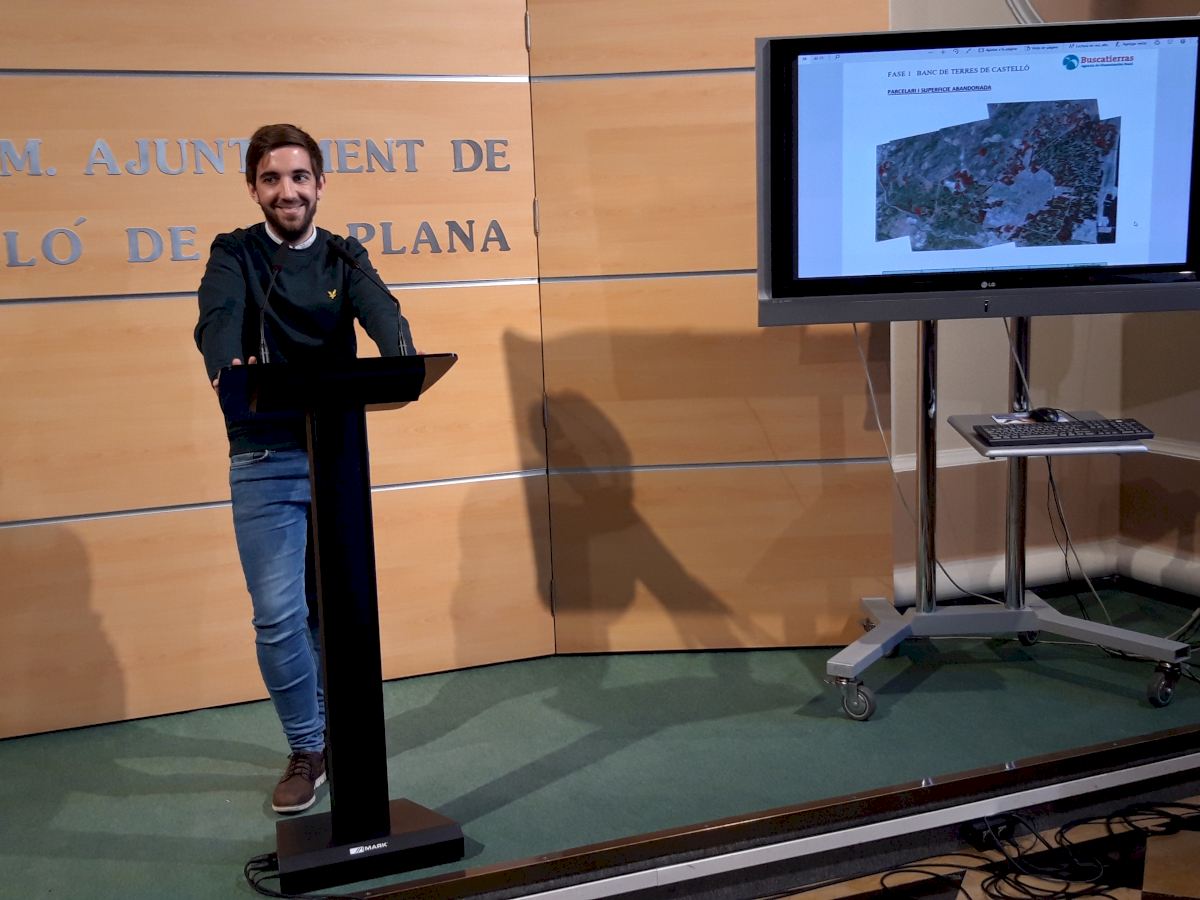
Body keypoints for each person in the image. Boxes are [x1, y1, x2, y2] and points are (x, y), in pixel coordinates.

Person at [194, 123, 413, 814]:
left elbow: (384, 315)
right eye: (271, 179)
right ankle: (308, 747)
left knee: (334, 611)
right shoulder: (235, 253)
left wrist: (401, 354)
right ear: (254, 189)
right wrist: (227, 363)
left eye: (298, 177)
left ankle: (338, 734)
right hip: (265, 453)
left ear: (320, 184)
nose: (286, 191)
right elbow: (217, 319)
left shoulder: (345, 256)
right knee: (280, 616)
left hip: (337, 455)